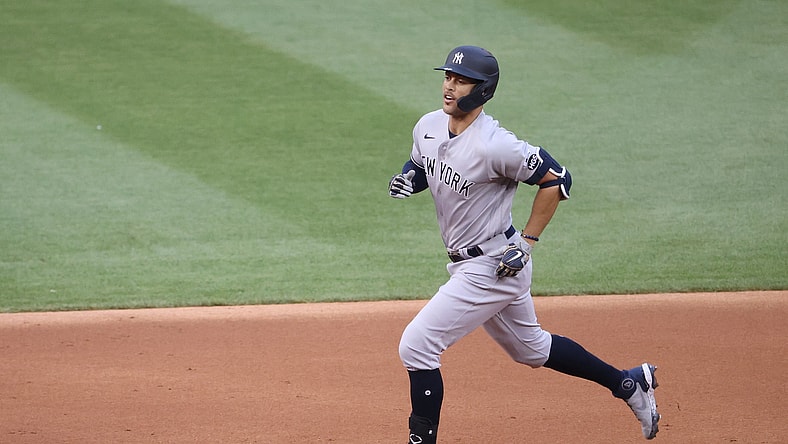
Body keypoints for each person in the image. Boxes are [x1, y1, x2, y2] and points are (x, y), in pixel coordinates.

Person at [388, 45, 661, 443]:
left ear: (483, 90)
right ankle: (629, 384)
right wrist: (409, 179)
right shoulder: (428, 125)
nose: (449, 86)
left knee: (417, 346)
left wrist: (528, 242)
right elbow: (422, 161)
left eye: (460, 80)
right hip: (469, 263)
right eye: (447, 76)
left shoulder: (496, 145)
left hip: (497, 264)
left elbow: (557, 180)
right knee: (531, 349)